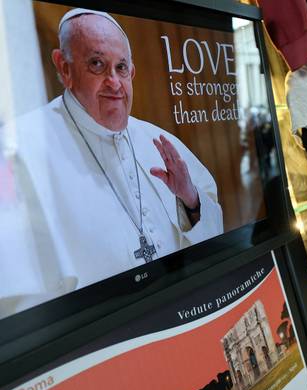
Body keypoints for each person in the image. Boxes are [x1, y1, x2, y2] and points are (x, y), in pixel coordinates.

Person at [0, 9, 223, 316]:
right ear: (64, 68)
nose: (114, 83)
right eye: (97, 64)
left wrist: (190, 200)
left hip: (182, 311)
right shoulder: (19, 149)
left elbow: (215, 233)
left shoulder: (155, 139)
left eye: (121, 67)